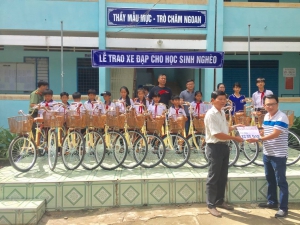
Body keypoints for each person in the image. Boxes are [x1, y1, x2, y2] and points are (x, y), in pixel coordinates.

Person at [247, 95, 289, 218]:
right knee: (270, 179)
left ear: (278, 104)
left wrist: (258, 138)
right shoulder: (266, 116)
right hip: (267, 153)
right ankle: (272, 202)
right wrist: (256, 132)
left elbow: (275, 134)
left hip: (278, 155)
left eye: (272, 104)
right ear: (264, 105)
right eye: (267, 104)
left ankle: (283, 208)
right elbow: (266, 131)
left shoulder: (282, 117)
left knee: (281, 182)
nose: (269, 106)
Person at [204, 90, 244, 217]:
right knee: (213, 176)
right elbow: (216, 134)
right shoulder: (211, 114)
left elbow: (224, 129)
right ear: (212, 100)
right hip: (214, 147)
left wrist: (235, 126)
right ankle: (211, 205)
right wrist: (235, 138)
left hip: (224, 147)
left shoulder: (221, 112)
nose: (223, 101)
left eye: (224, 99)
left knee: (223, 176)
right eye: (220, 99)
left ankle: (220, 201)